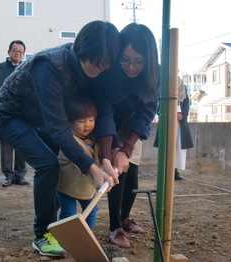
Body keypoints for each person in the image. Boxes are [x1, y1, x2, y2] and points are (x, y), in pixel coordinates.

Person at [0, 20, 119, 257]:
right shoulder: (49, 66)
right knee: (48, 164)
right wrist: (89, 167)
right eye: (96, 63)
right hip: (12, 114)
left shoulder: (96, 69)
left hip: (40, 116)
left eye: (105, 65)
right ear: (83, 49)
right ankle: (42, 235)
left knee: (63, 161)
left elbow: (104, 109)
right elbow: (58, 127)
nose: (99, 69)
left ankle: (57, 225)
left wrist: (105, 157)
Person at [91, 23, 160, 248]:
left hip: (133, 125)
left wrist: (127, 147)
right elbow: (106, 111)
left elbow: (148, 110)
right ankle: (114, 227)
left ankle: (124, 217)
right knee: (116, 174)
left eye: (138, 61)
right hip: (108, 122)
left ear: (148, 59)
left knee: (133, 176)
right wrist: (111, 149)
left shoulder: (155, 73)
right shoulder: (110, 72)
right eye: (125, 59)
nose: (131, 67)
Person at [56, 94, 104, 231]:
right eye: (81, 121)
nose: (87, 124)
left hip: (86, 186)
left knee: (92, 210)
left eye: (91, 120)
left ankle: (86, 236)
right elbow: (82, 154)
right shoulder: (68, 140)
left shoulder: (95, 138)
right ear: (70, 122)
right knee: (68, 213)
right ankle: (64, 239)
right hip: (66, 186)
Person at [0, 40, 29, 187]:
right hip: (4, 113)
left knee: (22, 145)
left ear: (23, 54)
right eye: (14, 50)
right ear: (9, 52)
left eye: (20, 51)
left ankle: (20, 175)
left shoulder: (26, 68)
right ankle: (8, 176)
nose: (17, 53)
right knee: (6, 146)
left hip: (22, 114)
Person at [174, 77, 194, 180]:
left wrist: (182, 115)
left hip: (180, 122)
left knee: (179, 146)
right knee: (168, 145)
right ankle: (167, 170)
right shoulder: (162, 84)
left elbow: (186, 102)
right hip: (167, 120)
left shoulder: (182, 85)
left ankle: (175, 171)